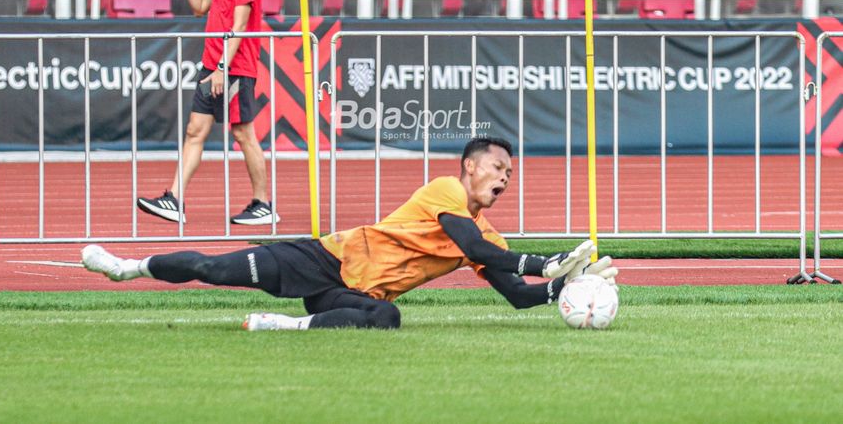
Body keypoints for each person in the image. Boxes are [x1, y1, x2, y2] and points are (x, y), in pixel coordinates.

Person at [84, 137, 618, 330]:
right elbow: (476, 250)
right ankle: (127, 268)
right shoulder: (445, 191)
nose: (504, 177)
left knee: (386, 317)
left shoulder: (489, 235)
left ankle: (285, 326)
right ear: (468, 168)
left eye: (510, 173)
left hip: (354, 292)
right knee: (213, 269)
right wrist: (548, 260)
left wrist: (569, 288)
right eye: (497, 166)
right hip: (323, 259)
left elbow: (518, 299)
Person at [136, 0, 279, 226]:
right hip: (212, 66)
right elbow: (200, 7)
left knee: (243, 134)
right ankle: (175, 199)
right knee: (195, 131)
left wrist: (223, 68)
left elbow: (240, 24)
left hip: (235, 67)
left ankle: (262, 204)